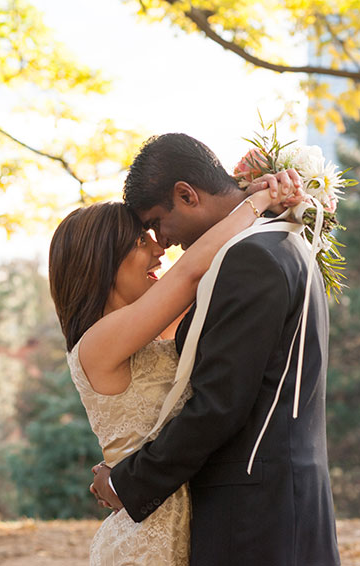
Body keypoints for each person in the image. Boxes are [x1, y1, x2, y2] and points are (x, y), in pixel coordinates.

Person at [89, 133, 341, 565]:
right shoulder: (284, 244)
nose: (161, 241)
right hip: (285, 501)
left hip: (253, 515)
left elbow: (220, 403)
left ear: (186, 195)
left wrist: (126, 482)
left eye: (156, 222)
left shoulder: (250, 258)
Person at [49, 166, 300, 565]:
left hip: (192, 521)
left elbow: (217, 274)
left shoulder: (153, 328)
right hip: (146, 538)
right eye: (139, 241)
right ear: (102, 260)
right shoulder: (96, 343)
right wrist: (257, 201)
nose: (159, 250)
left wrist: (239, 190)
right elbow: (189, 272)